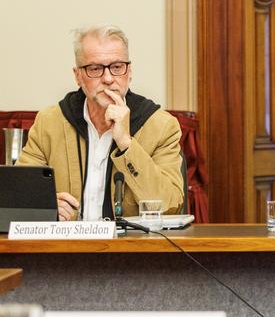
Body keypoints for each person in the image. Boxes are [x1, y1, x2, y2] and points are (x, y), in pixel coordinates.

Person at [17, 25, 184, 221]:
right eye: (95, 68)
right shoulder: (50, 123)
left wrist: (126, 144)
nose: (108, 78)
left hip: (130, 249)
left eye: (117, 67)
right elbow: (18, 197)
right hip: (66, 248)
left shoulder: (161, 126)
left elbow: (170, 206)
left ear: (129, 72)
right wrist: (46, 205)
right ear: (78, 76)